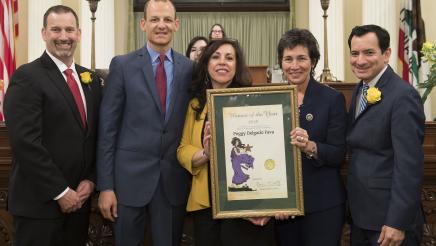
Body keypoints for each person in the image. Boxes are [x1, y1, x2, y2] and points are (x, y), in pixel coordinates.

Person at [96, 0, 193, 245]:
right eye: (155, 19)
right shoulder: (122, 65)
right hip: (127, 184)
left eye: (167, 20)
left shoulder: (190, 69)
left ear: (176, 25)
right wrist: (106, 187)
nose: (161, 25)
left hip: (172, 183)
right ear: (143, 24)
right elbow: (107, 130)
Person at [4, 5, 101, 246]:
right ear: (44, 33)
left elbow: (94, 136)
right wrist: (60, 192)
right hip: (39, 207)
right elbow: (25, 143)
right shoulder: (27, 76)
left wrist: (90, 179)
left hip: (79, 203)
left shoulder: (90, 80)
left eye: (69, 30)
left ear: (78, 33)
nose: (64, 36)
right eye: (56, 29)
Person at [177, 38, 275, 246]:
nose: (222, 62)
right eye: (216, 57)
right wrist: (206, 154)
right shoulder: (195, 105)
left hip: (245, 202)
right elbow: (182, 149)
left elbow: (267, 150)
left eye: (229, 58)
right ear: (206, 64)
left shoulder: (253, 101)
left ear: (237, 66)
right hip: (206, 205)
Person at [346, 24, 425, 246]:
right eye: (354, 53)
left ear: (387, 54)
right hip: (361, 216)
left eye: (369, 53)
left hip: (388, 223)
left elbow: (409, 165)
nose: (360, 60)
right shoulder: (360, 89)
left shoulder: (403, 96)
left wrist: (397, 222)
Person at [273, 28, 347, 245]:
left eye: (301, 58)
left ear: (313, 61)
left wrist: (310, 146)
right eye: (288, 59)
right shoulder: (270, 99)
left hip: (323, 204)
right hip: (283, 206)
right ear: (281, 62)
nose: (294, 66)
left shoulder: (332, 99)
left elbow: (338, 153)